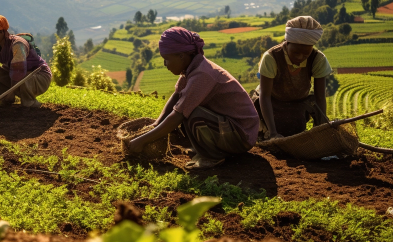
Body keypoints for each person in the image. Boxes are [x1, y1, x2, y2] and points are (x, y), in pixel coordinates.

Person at [127, 27, 259, 169]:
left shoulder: (202, 75)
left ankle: (212, 156)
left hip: (242, 135)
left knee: (192, 113)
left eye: (167, 59)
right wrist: (157, 123)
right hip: (230, 127)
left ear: (181, 56)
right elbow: (177, 95)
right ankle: (204, 148)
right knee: (186, 108)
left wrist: (140, 141)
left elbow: (177, 115)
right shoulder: (192, 68)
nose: (165, 64)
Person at [253, 16, 332, 140]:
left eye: (306, 54)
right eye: (296, 52)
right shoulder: (271, 57)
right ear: (287, 43)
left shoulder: (318, 59)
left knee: (296, 131)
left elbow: (320, 97)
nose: (300, 57)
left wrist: (321, 128)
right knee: (272, 133)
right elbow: (265, 96)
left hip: (298, 103)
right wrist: (273, 133)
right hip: (272, 102)